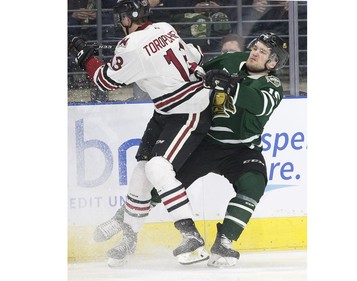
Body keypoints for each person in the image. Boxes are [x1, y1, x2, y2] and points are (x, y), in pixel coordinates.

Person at [94, 32, 289, 267]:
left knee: (254, 183)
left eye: (263, 52)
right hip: (205, 144)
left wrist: (227, 85)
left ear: (273, 62)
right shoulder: (230, 61)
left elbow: (259, 104)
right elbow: (193, 70)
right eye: (255, 47)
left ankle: (224, 242)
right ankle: (125, 233)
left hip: (242, 150)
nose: (255, 53)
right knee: (159, 184)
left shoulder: (273, 85)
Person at [68, 0, 215, 267]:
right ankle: (129, 239)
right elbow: (195, 54)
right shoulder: (165, 27)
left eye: (120, 19)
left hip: (188, 109)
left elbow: (106, 81)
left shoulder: (130, 45)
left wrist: (85, 58)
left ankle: (190, 235)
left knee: (157, 169)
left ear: (126, 19)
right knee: (140, 173)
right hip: (168, 109)